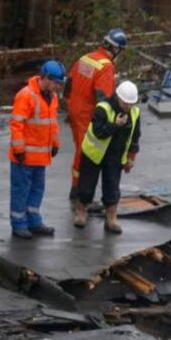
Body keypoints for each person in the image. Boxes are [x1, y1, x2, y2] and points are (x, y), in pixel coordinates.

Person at [65, 28, 125, 205]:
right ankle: (80, 194)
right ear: (116, 49)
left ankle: (76, 189)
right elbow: (103, 100)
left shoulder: (85, 58)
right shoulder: (106, 67)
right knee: (87, 154)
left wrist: (70, 108)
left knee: (79, 150)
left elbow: (68, 86)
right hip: (88, 115)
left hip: (75, 110)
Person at [73, 80, 141, 235]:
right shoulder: (103, 109)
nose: (128, 107)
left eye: (131, 103)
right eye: (125, 103)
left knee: (112, 187)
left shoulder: (135, 113)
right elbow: (99, 132)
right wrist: (115, 125)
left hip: (115, 156)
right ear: (118, 97)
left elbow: (135, 136)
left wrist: (131, 157)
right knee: (86, 186)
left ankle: (111, 218)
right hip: (93, 154)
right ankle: (81, 212)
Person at [10, 60, 64, 239]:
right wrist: (19, 148)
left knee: (37, 189)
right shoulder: (26, 96)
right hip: (24, 156)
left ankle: (33, 220)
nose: (58, 86)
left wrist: (55, 144)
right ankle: (18, 223)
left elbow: (52, 124)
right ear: (46, 78)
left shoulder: (52, 97)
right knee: (21, 190)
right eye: (56, 82)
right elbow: (17, 124)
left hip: (40, 156)